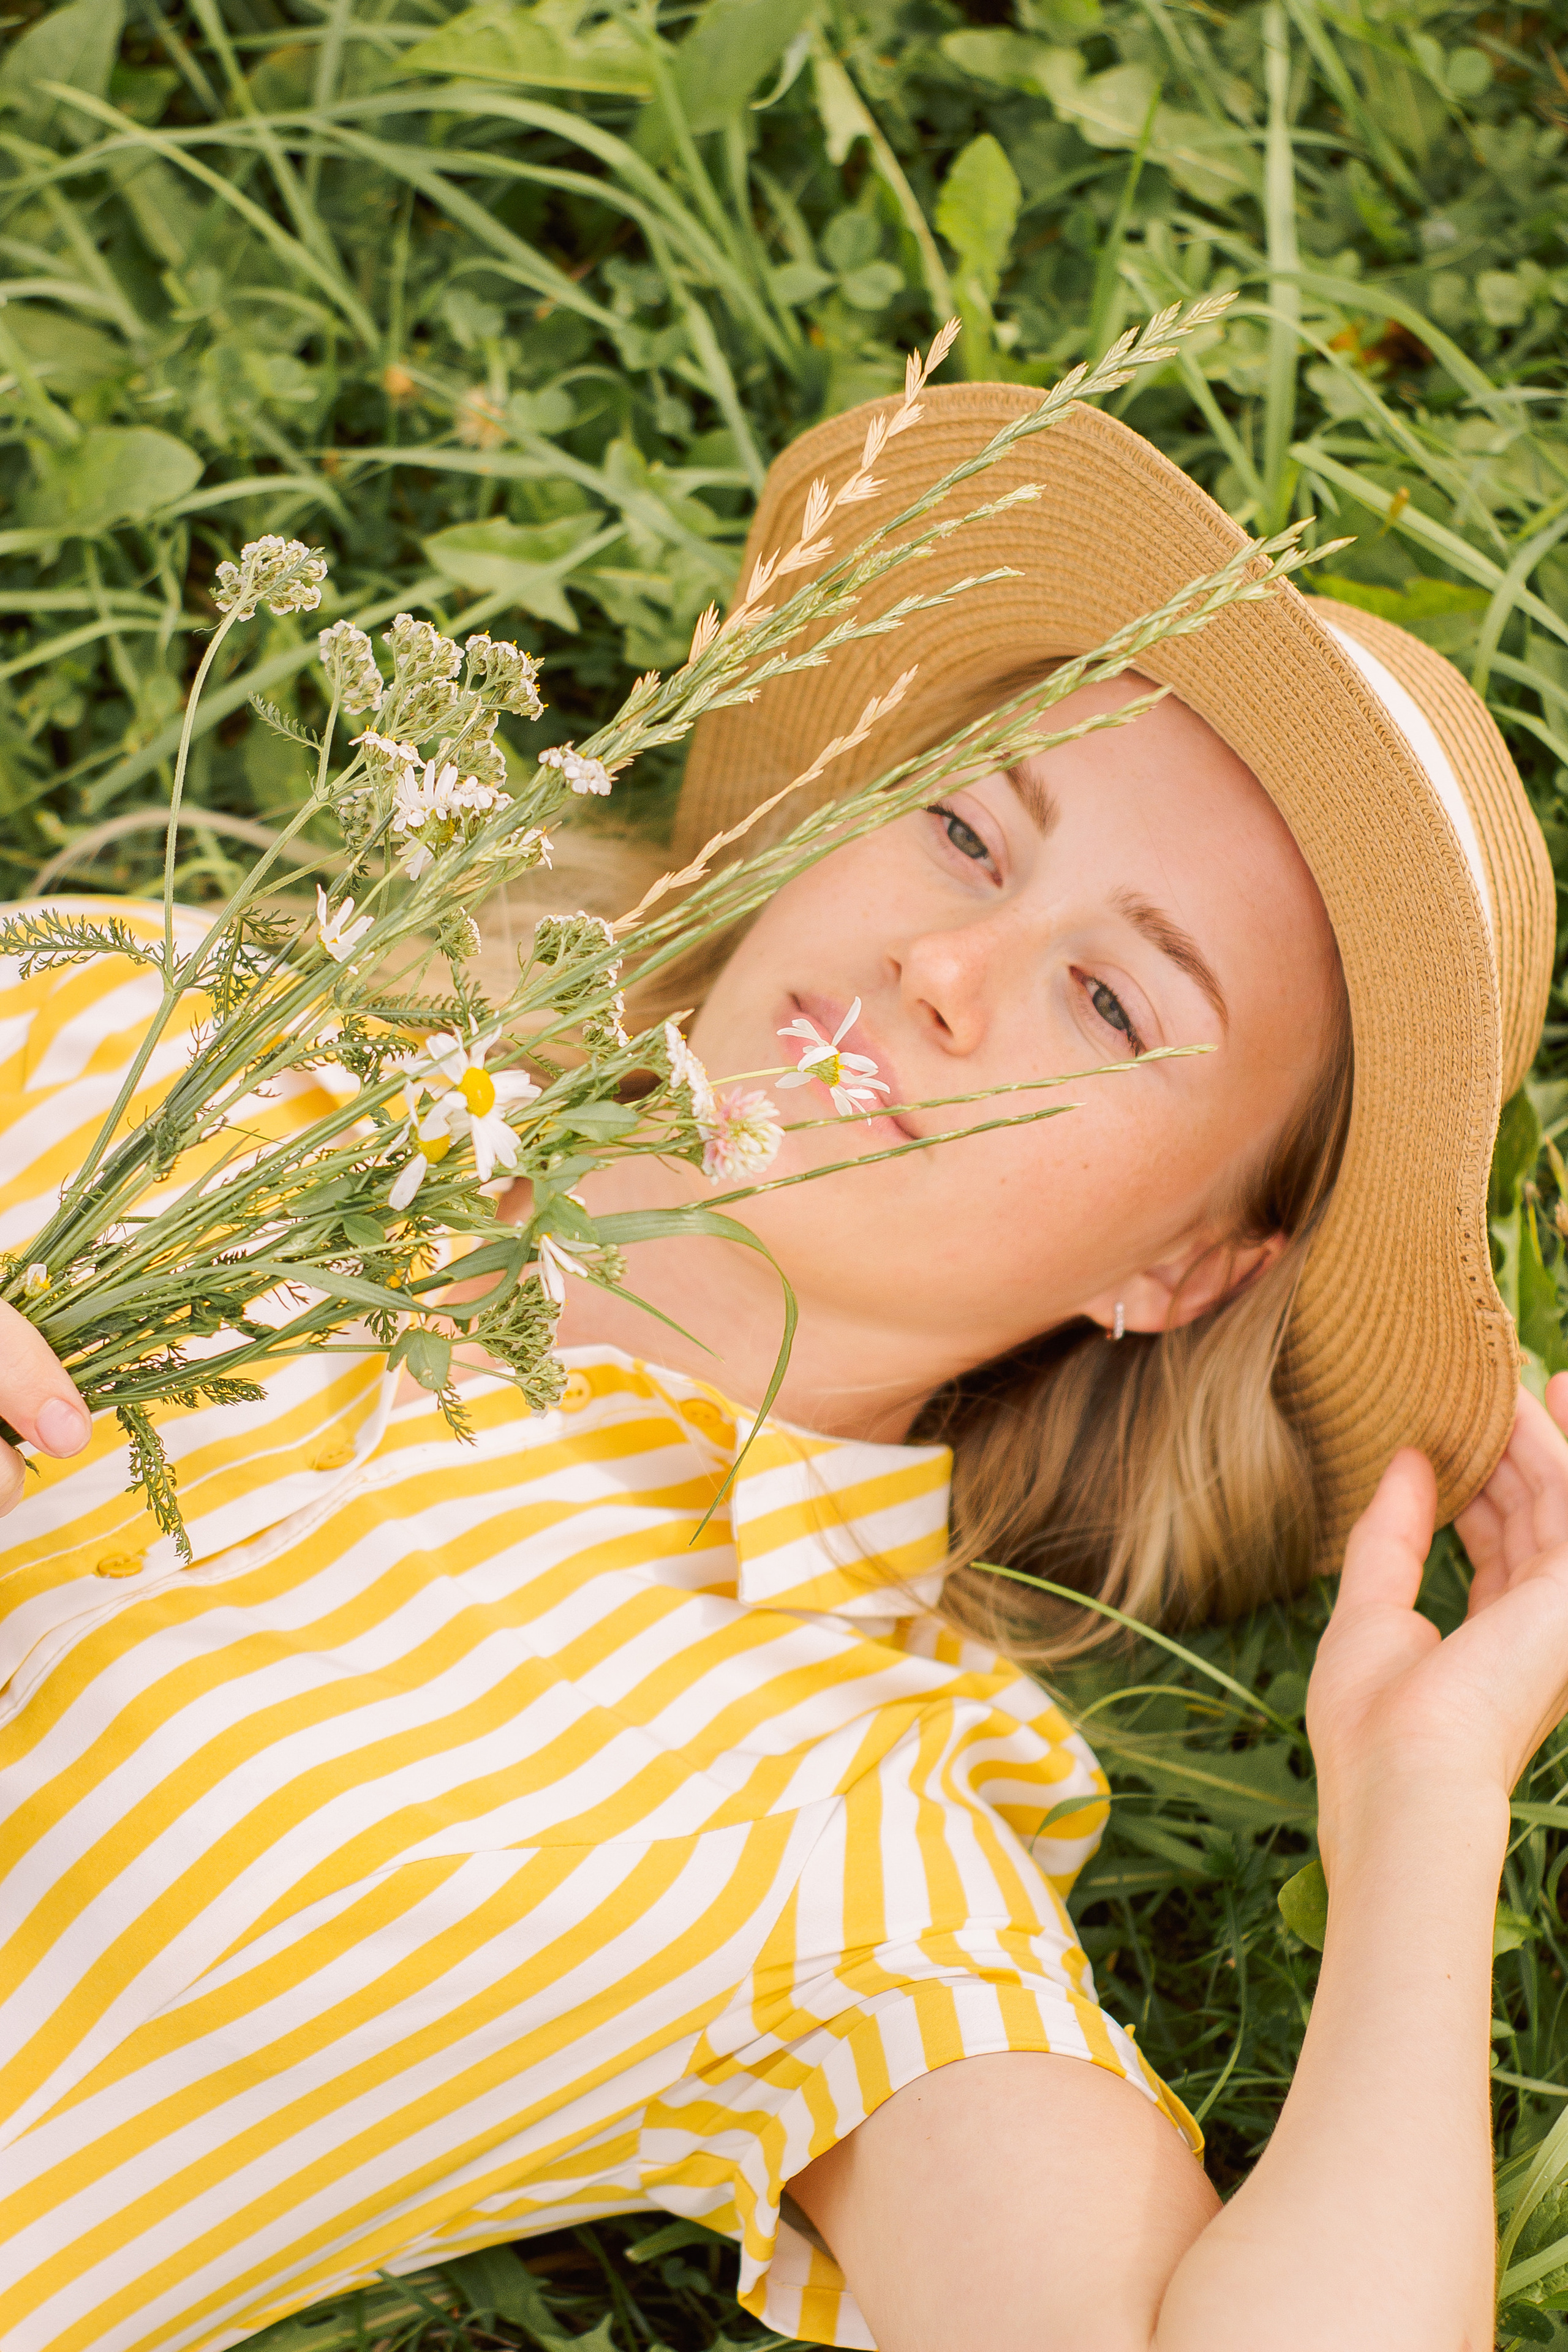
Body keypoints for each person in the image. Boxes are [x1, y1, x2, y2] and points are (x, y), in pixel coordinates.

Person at [0, 386, 1559, 2352]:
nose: (949, 966)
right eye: (967, 826)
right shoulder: (168, 1025)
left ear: (1188, 1265)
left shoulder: (846, 1824)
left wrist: (1427, 1815)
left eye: (1108, 993)